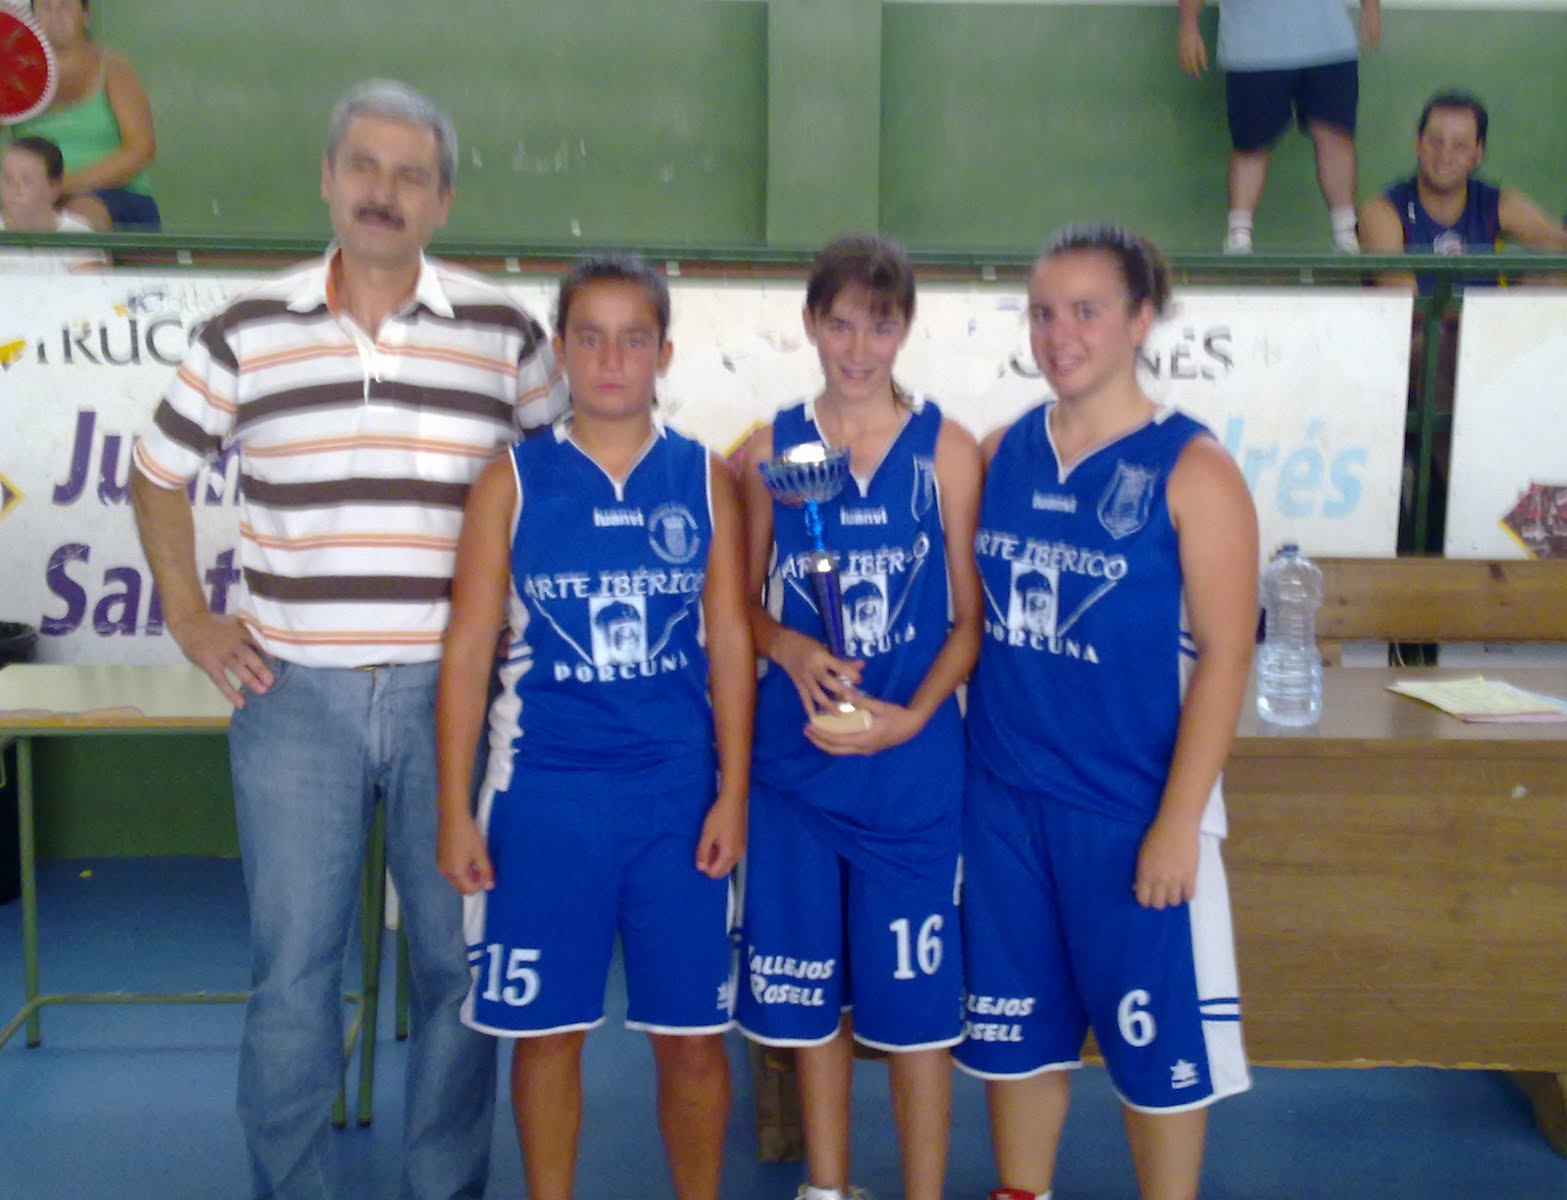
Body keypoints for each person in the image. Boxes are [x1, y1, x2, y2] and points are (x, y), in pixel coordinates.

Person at [129, 79, 564, 1200]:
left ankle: (443, 1188)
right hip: (292, 701)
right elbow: (158, 471)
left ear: (444, 198)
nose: (383, 192)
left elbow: (563, 493)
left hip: (453, 705)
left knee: (453, 965)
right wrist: (188, 612)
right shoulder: (245, 331)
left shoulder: (507, 338)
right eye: (363, 168)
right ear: (326, 179)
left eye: (409, 174)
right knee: (293, 979)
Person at [434, 254, 753, 1200]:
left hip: (674, 800)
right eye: (590, 336)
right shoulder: (512, 482)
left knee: (693, 1040)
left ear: (663, 351)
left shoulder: (704, 477)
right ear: (561, 350)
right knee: (547, 1035)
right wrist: (457, 811)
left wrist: (733, 792)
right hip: (542, 798)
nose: (612, 358)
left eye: (633, 338)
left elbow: (731, 644)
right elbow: (466, 652)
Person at [956, 223, 1257, 1200]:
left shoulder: (1192, 469)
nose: (1059, 332)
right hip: (1002, 804)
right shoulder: (1001, 451)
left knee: (1154, 1056)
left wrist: (1178, 822)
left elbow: (1224, 656)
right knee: (1016, 1038)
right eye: (1043, 312)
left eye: (1085, 310)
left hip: (1129, 814)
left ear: (1139, 317)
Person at [734, 234, 983, 1200]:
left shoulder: (947, 453)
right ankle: (828, 1188)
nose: (858, 344)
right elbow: (742, 606)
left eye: (880, 323)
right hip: (799, 777)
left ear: (904, 328)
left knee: (918, 1014)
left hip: (910, 778)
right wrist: (788, 645)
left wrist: (914, 718)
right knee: (813, 1004)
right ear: (810, 322)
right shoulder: (769, 449)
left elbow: (968, 626)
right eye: (839, 321)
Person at [1178, 0, 1381, 254]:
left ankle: (1346, 233)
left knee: (1335, 137)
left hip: (1331, 43)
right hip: (1252, 48)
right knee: (1250, 146)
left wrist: (1371, 7)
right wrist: (1188, 25)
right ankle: (1238, 237)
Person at [0, 0, 159, 230]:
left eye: (65, 6)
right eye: (46, 7)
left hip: (118, 197)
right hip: (37, 198)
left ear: (86, 16)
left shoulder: (113, 66)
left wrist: (62, 185)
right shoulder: (15, 71)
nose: (56, 15)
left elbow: (141, 149)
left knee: (72, 223)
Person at [1358, 90, 1567, 293]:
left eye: (1459, 146)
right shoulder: (1382, 211)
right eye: (1436, 142)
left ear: (1478, 153)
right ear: (1418, 144)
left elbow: (1554, 239)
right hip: (1421, 329)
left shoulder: (1495, 203)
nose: (1445, 155)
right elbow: (1405, 304)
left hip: (1486, 325)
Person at [0, 134, 104, 272]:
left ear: (53, 187)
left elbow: (88, 290)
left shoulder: (78, 235)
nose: (15, 188)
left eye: (27, 180)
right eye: (7, 178)